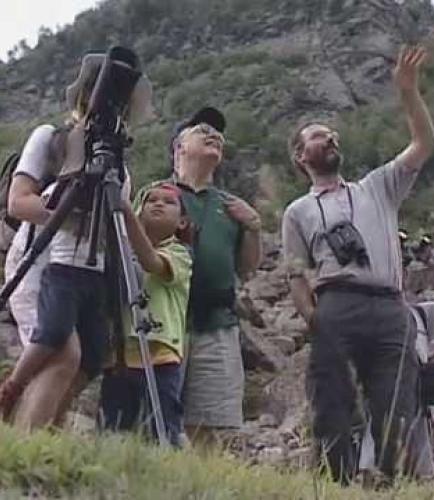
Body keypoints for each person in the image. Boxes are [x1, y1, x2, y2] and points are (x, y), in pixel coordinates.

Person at [282, 45, 434, 482]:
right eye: (318, 135)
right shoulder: (298, 211)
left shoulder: (377, 187)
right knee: (332, 401)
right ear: (301, 156)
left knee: (395, 405)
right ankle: (338, 484)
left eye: (333, 134)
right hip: (336, 304)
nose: (330, 138)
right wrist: (313, 317)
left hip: (390, 306)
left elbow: (425, 143)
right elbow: (295, 271)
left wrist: (408, 93)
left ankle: (387, 484)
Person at [0, 50, 153, 430]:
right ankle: (28, 446)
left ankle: (41, 433)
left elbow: (117, 224)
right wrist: (66, 219)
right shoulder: (51, 138)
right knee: (63, 353)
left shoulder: (116, 163)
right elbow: (19, 203)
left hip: (88, 270)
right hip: (38, 265)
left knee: (88, 360)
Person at [143, 106, 262, 447]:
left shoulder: (231, 206)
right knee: (154, 419)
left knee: (208, 429)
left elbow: (247, 268)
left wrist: (253, 227)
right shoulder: (157, 195)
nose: (214, 135)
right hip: (164, 322)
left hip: (218, 324)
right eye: (202, 130)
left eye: (218, 134)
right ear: (178, 148)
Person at [359, 233, 434, 478]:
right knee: (373, 475)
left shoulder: (420, 315)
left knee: (421, 478)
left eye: (401, 270)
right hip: (381, 406)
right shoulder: (368, 314)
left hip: (417, 409)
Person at [99, 183, 192, 447]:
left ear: (182, 222)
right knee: (114, 431)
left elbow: (151, 262)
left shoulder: (179, 254)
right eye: (150, 200)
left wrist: (124, 209)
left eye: (168, 202)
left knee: (162, 427)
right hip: (120, 354)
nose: (158, 204)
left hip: (160, 355)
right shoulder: (120, 250)